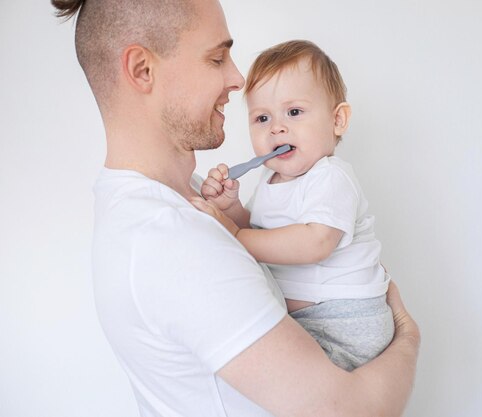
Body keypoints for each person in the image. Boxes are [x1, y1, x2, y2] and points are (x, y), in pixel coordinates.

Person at [52, 0, 420, 416]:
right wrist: (408, 339)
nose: (237, 78)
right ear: (142, 70)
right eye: (216, 57)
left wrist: (234, 217)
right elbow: (352, 412)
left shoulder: (179, 202)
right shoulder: (170, 235)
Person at [194, 40, 394, 371]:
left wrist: (234, 234)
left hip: (344, 321)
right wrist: (232, 210)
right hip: (307, 321)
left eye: (294, 112)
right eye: (261, 118)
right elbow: (262, 232)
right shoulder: (270, 181)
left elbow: (314, 243)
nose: (277, 127)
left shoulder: (329, 177)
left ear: (338, 120)